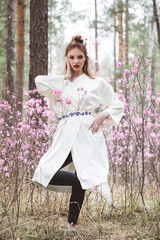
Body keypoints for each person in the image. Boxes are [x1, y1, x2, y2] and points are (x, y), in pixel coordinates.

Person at [32, 35, 124, 228]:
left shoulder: (97, 83)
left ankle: (71, 224)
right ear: (66, 58)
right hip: (65, 134)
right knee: (44, 169)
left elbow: (117, 105)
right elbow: (39, 81)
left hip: (87, 133)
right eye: (72, 57)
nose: (76, 61)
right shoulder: (61, 82)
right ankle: (85, 182)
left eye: (79, 57)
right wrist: (64, 76)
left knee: (84, 175)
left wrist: (102, 115)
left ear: (86, 59)